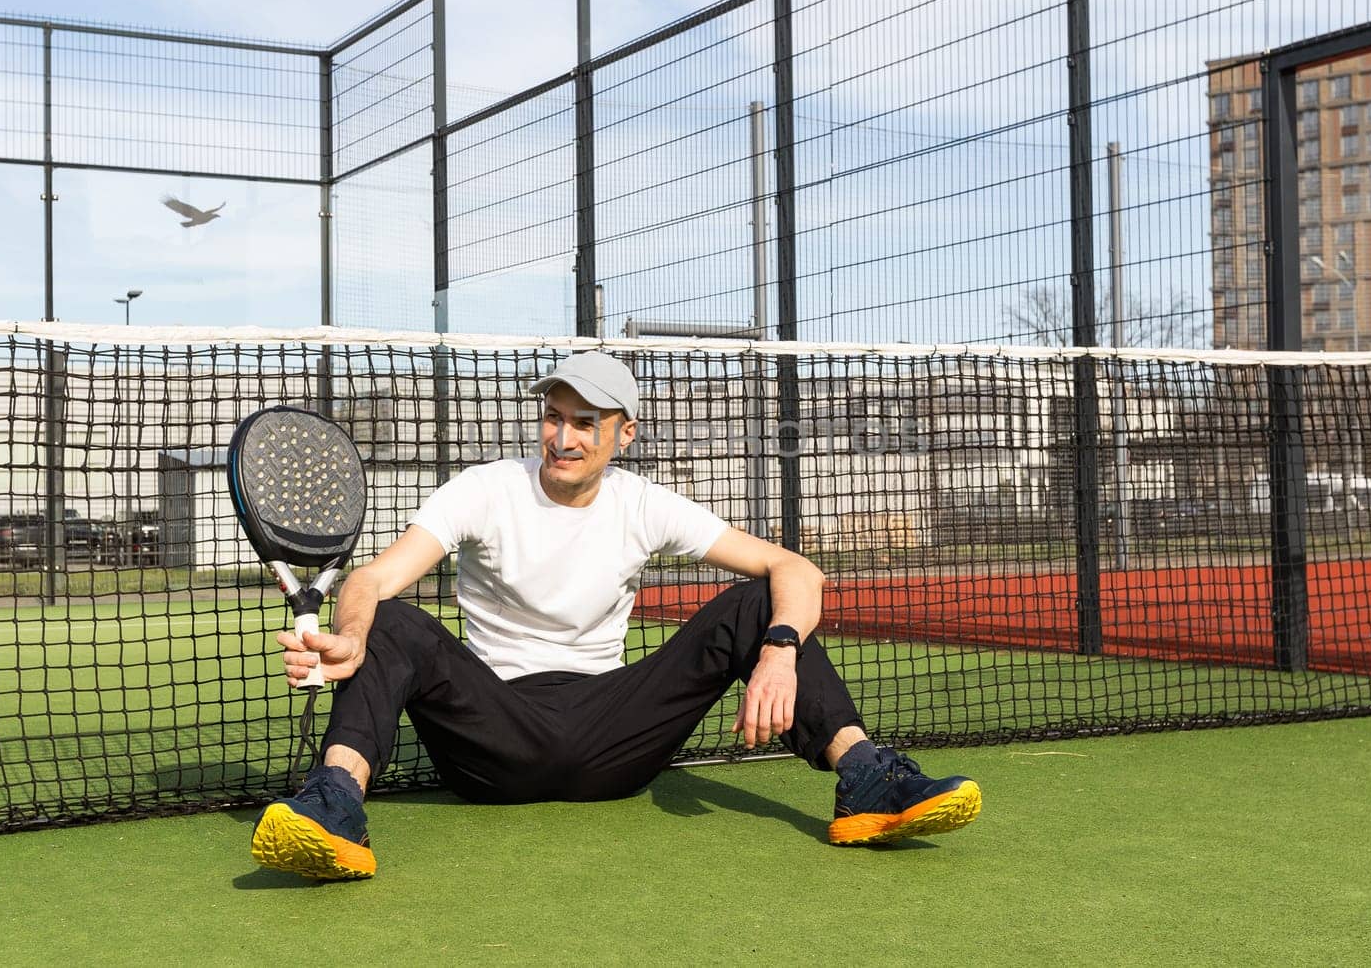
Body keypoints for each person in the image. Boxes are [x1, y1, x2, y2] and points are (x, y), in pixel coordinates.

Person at [250, 351, 981, 880]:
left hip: (613, 735)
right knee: (396, 620)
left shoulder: (643, 503)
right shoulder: (486, 489)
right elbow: (375, 578)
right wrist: (349, 635)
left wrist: (780, 649)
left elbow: (797, 569)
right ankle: (336, 802)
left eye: (585, 423)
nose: (562, 438)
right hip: (492, 732)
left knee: (760, 603)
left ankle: (867, 781)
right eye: (553, 417)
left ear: (623, 434)